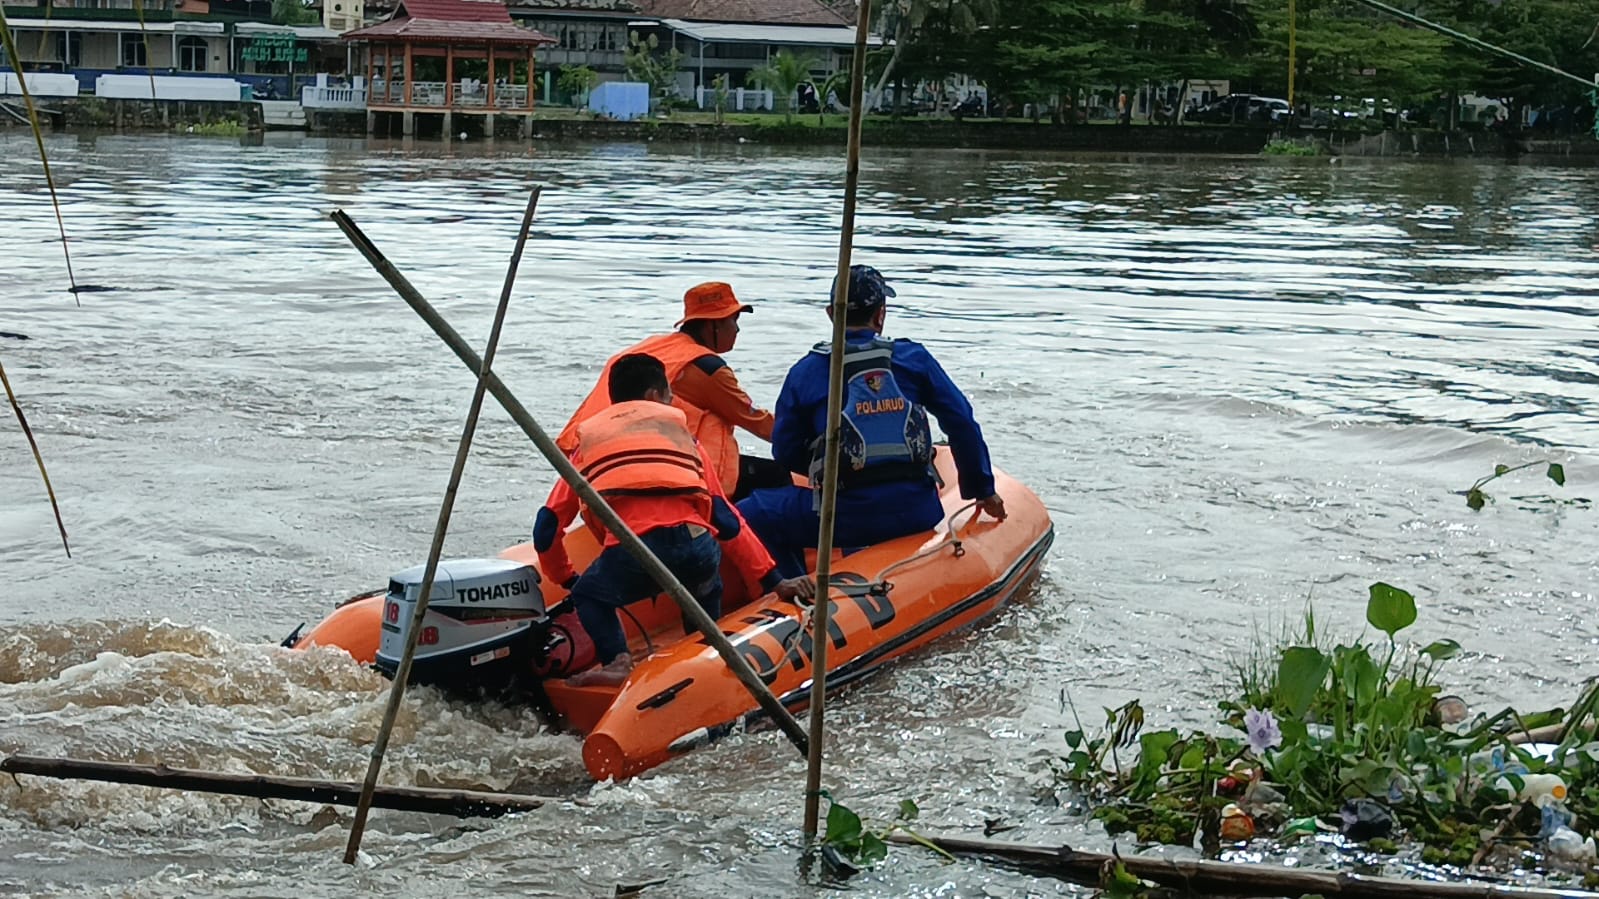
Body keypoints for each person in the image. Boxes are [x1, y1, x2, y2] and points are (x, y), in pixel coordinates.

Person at [535, 354, 814, 687]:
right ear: (655, 396)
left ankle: (618, 661)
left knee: (590, 595)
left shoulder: (588, 445)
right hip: (695, 547)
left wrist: (566, 578)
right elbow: (725, 518)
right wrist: (776, 581)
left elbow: (547, 527)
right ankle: (703, 653)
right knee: (705, 585)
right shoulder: (685, 441)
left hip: (631, 555)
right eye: (671, 395)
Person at [736, 265, 1007, 579]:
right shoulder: (913, 358)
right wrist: (982, 489)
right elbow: (962, 423)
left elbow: (785, 453)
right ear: (881, 314)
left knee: (752, 512)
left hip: (842, 517)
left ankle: (789, 590)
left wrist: (832, 470)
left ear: (830, 314)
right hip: (918, 509)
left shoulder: (806, 371)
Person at [557, 281, 789, 503]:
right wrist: (804, 439)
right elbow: (754, 420)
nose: (737, 328)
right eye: (733, 320)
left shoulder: (651, 347)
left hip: (592, 461)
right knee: (778, 477)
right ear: (712, 325)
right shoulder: (707, 368)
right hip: (672, 473)